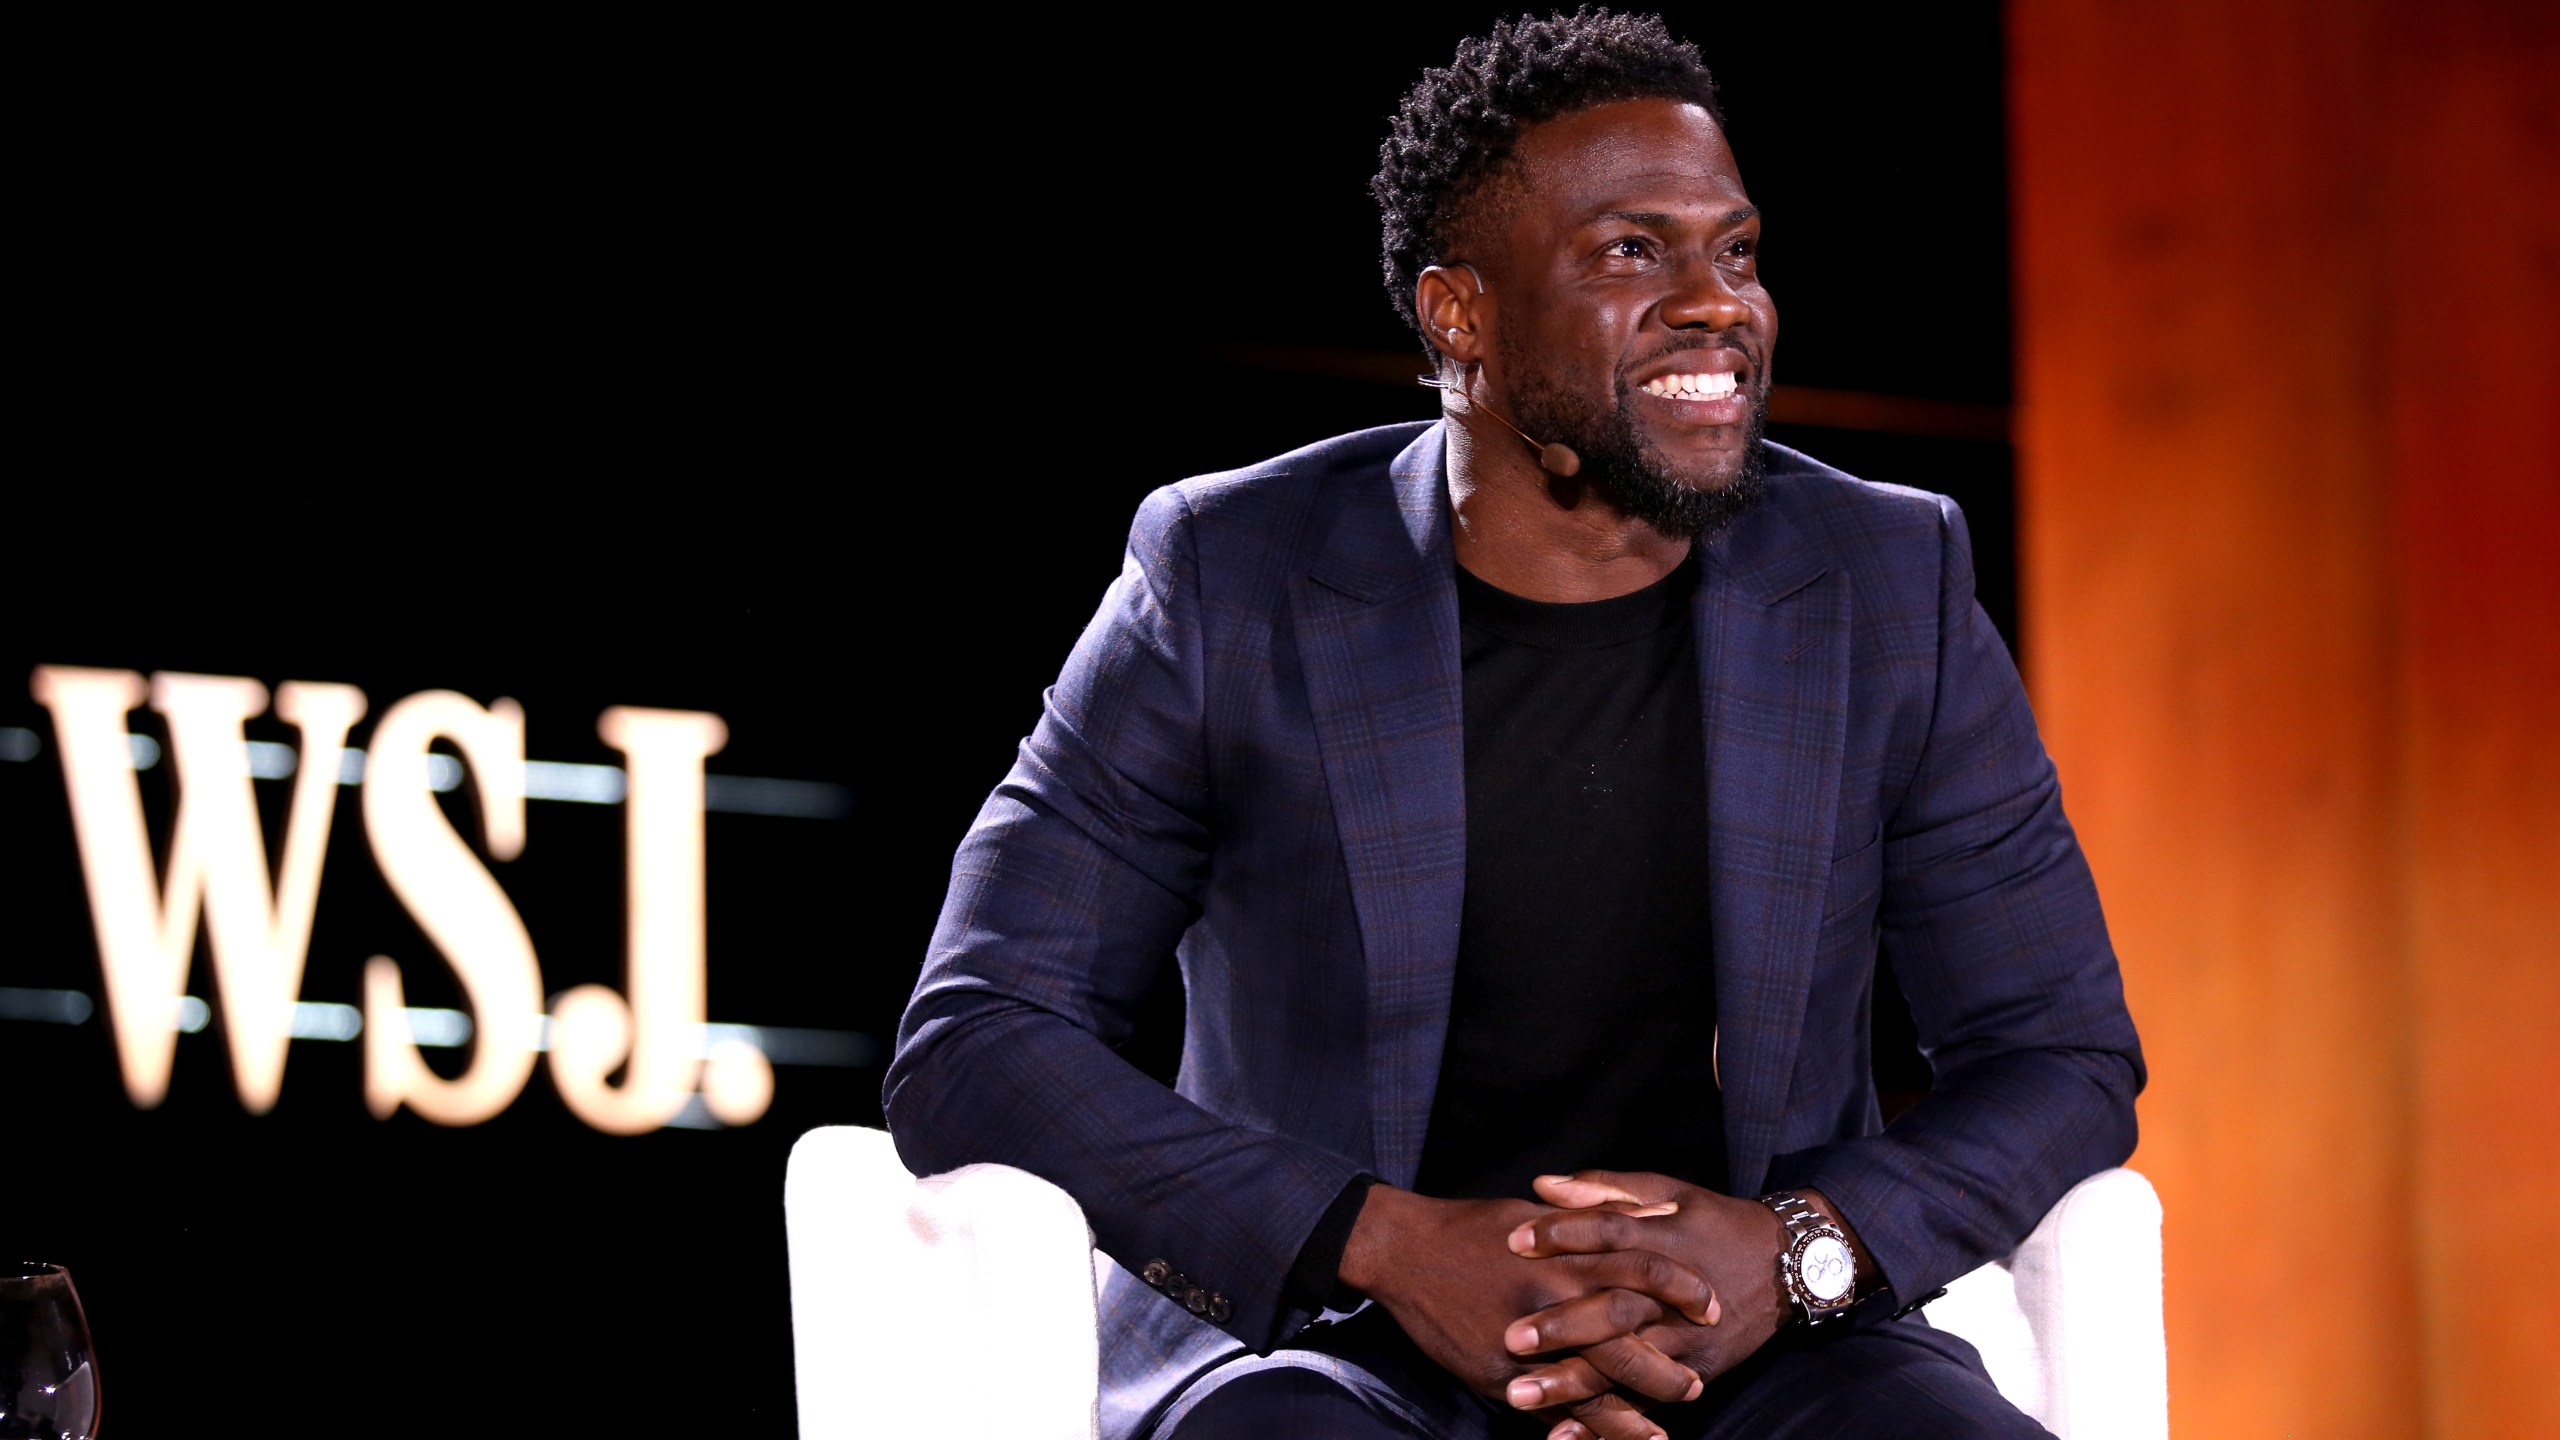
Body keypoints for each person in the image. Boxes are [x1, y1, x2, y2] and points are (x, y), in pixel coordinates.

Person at [885, 12, 2143, 1438]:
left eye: (1734, 250)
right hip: (1333, 1339)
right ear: (1458, 316)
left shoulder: (1884, 579)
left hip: (1764, 1344)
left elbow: (2064, 1056)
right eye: (1632, 252)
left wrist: (1791, 1249)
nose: (1718, 302)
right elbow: (978, 1035)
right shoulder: (1230, 577)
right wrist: (1387, 1243)